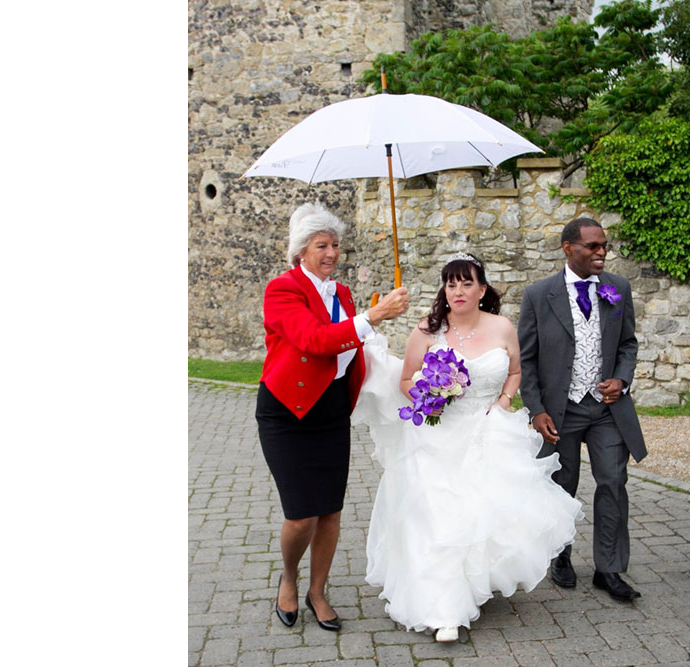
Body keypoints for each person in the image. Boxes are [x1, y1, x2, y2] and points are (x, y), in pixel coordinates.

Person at [352, 253, 582, 643]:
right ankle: (445, 610)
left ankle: (473, 579)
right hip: (437, 435)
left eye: (466, 283)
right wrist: (431, 397)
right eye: (451, 284)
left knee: (481, 512)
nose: (457, 291)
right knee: (438, 516)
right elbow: (407, 379)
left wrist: (505, 402)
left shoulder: (502, 327)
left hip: (488, 431)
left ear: (482, 289)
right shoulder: (427, 330)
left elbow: (514, 371)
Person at [256, 202, 409, 632]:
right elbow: (313, 340)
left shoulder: (341, 292)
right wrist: (371, 317)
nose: (331, 253)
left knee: (330, 512)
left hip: (330, 411)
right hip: (286, 411)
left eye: (336, 244)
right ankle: (289, 578)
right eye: (321, 244)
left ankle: (317, 591)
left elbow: (349, 344)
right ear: (300, 251)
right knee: (301, 513)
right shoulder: (281, 289)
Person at [517, 217, 648, 602]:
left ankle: (609, 569)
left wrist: (621, 380)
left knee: (613, 482)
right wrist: (536, 409)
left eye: (604, 245)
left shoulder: (617, 288)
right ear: (568, 248)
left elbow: (628, 344)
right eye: (592, 246)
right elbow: (526, 359)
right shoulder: (539, 295)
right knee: (562, 485)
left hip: (607, 410)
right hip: (561, 410)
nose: (601, 252)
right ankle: (561, 558)